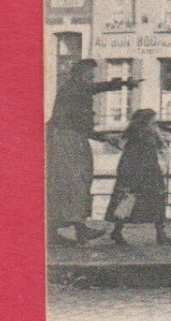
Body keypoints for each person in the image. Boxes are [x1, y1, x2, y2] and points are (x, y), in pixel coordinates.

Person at [47, 58, 137, 244]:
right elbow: (81, 119)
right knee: (76, 182)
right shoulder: (75, 89)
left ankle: (65, 230)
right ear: (80, 75)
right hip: (67, 139)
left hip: (68, 137)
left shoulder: (73, 88)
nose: (93, 78)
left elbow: (93, 91)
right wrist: (124, 83)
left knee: (70, 182)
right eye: (90, 74)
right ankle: (77, 230)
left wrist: (124, 83)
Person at [105, 108, 171, 246]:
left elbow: (122, 148)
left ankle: (118, 230)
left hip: (136, 170)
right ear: (148, 121)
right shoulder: (149, 133)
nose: (155, 123)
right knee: (156, 200)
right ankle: (160, 233)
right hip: (148, 170)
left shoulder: (134, 133)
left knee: (128, 199)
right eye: (153, 120)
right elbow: (159, 147)